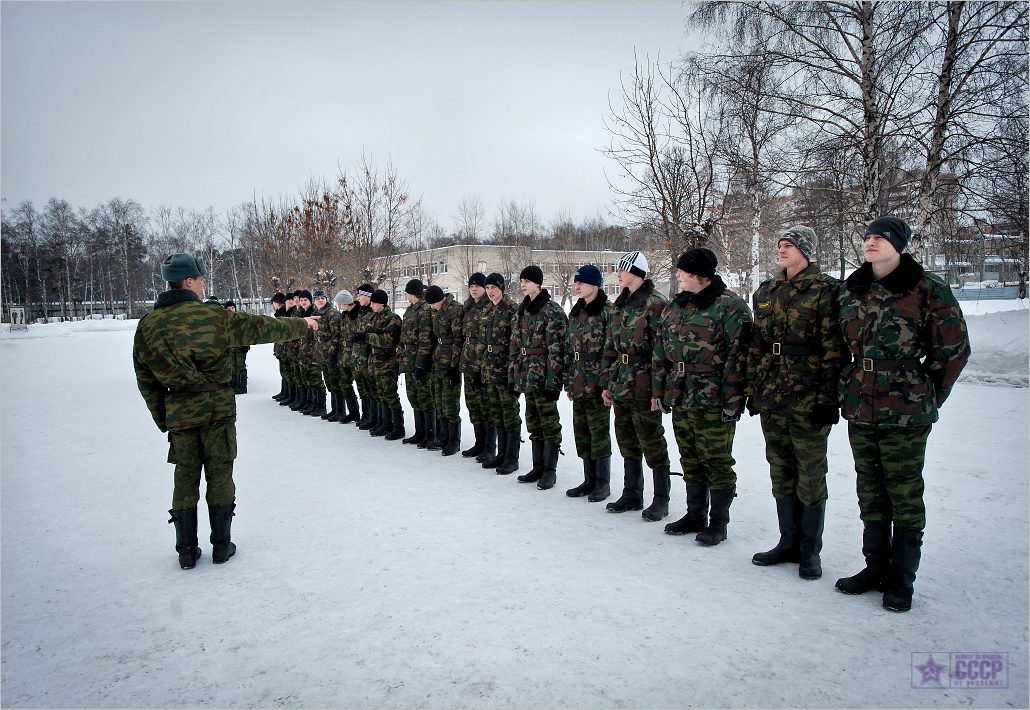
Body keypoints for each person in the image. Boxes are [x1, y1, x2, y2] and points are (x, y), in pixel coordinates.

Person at [133, 253, 318, 569]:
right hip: (217, 409)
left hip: (179, 411)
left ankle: (186, 550)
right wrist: (302, 324)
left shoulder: (149, 325)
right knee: (220, 471)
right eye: (202, 280)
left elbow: (145, 378)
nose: (204, 286)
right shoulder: (214, 317)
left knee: (185, 475)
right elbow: (261, 328)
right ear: (190, 281)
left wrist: (164, 417)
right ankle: (221, 545)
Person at [835, 216, 969, 612]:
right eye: (868, 236)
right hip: (861, 406)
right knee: (870, 492)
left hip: (906, 411)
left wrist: (927, 394)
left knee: (904, 494)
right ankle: (874, 568)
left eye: (880, 237)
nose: (870, 242)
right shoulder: (853, 288)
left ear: (900, 244)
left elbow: (954, 350)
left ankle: (901, 579)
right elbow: (839, 344)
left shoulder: (927, 287)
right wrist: (847, 381)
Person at [747, 227, 843, 579]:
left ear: (806, 250)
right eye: (780, 244)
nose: (782, 250)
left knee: (811, 473)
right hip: (773, 394)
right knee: (781, 469)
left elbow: (834, 350)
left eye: (789, 245)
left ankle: (809, 550)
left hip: (808, 396)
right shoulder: (767, 291)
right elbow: (756, 344)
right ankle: (787, 541)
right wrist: (753, 389)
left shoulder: (826, 290)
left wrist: (829, 398)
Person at [653, 248, 752, 546]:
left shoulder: (730, 307)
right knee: (690, 457)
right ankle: (695, 514)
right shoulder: (676, 306)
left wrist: (733, 401)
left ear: (697, 274)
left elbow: (740, 357)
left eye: (682, 271)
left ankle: (718, 523)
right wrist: (660, 391)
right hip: (681, 394)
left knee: (717, 460)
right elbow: (660, 352)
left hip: (714, 396)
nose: (678, 275)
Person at [601, 251, 673, 521]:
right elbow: (611, 345)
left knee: (651, 440)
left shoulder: (655, 304)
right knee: (627, 439)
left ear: (636, 272)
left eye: (622, 269)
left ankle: (661, 498)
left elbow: (661, 349)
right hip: (622, 381)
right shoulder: (619, 305)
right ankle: (632, 493)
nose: (618, 273)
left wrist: (658, 390)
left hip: (645, 380)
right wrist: (608, 382)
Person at [510, 265, 568, 490]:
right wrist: (513, 376)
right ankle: (537, 466)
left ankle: (550, 470)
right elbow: (515, 345)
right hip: (525, 375)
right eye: (522, 280)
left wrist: (554, 381)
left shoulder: (551, 310)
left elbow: (557, 348)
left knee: (549, 422)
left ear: (538, 283)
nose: (523, 284)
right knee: (533, 420)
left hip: (543, 375)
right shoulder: (521, 310)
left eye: (528, 280)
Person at [563, 265, 612, 502]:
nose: (577, 286)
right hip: (578, 380)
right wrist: (568, 381)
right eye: (576, 283)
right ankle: (589, 479)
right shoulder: (576, 311)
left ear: (595, 284)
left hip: (597, 381)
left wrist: (606, 384)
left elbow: (610, 351)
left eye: (581, 283)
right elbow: (568, 349)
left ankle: (603, 483)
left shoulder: (606, 312)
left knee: (599, 433)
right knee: (582, 432)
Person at [479, 273, 522, 475]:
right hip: (489, 368)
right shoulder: (486, 310)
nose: (490, 292)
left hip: (505, 368)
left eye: (493, 288)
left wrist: (514, 371)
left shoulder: (512, 309)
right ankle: (501, 454)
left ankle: (512, 458)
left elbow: (516, 342)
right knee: (496, 412)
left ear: (502, 289)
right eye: (487, 288)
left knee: (510, 412)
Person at [423, 285, 465, 455]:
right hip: (438, 361)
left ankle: (454, 441)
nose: (431, 307)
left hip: (450, 364)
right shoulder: (437, 311)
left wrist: (455, 367)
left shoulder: (455, 310)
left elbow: (458, 340)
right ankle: (443, 437)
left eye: (432, 304)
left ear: (438, 299)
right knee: (439, 403)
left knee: (450, 405)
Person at [357, 289, 404, 439]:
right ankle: (385, 423)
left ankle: (398, 426)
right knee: (380, 394)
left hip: (387, 362)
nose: (371, 305)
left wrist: (366, 337)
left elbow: (388, 341)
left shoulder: (392, 319)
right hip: (374, 361)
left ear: (382, 303)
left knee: (390, 394)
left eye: (373, 303)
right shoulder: (375, 317)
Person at [396, 279, 435, 445]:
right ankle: (420, 432)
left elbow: (426, 340)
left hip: (420, 359)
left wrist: (421, 364)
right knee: (414, 397)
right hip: (409, 359)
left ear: (411, 293)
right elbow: (403, 338)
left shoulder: (424, 309)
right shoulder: (410, 309)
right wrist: (399, 360)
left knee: (425, 397)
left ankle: (430, 434)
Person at [460, 273, 492, 459]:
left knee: (485, 404)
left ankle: (489, 446)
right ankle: (479, 443)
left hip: (483, 362)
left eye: (478, 286)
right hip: (468, 360)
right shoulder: (467, 307)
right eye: (471, 286)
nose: (474, 289)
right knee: (472, 404)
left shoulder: (489, 307)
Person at [351, 285, 379, 431]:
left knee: (373, 390)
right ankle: (368, 416)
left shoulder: (373, 314)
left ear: (368, 296)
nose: (357, 298)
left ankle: (376, 418)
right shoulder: (362, 312)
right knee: (364, 390)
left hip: (370, 359)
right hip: (360, 357)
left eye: (359, 295)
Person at [332, 290, 362, 423]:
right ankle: (353, 412)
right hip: (344, 354)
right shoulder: (343, 316)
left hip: (356, 354)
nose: (338, 306)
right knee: (344, 383)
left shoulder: (359, 315)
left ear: (346, 303)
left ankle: (367, 415)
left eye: (340, 303)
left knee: (361, 386)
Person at [311, 290, 340, 419]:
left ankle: (339, 410)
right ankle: (334, 410)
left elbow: (336, 335)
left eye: (323, 298)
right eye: (318, 298)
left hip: (330, 352)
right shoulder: (315, 314)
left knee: (335, 382)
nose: (321, 300)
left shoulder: (332, 313)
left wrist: (332, 352)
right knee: (328, 382)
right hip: (321, 353)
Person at [224, 301, 250, 395]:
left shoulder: (239, 319)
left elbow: (246, 332)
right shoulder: (225, 321)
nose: (231, 310)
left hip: (240, 348)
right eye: (229, 308)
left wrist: (245, 345)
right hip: (230, 348)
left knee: (240, 367)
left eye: (232, 308)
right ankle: (234, 384)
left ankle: (242, 386)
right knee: (233, 367)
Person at [270, 293, 291, 401]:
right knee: (284, 371)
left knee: (287, 371)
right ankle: (285, 391)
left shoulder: (283, 313)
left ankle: (289, 394)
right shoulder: (279, 313)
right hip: (281, 347)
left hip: (285, 347)